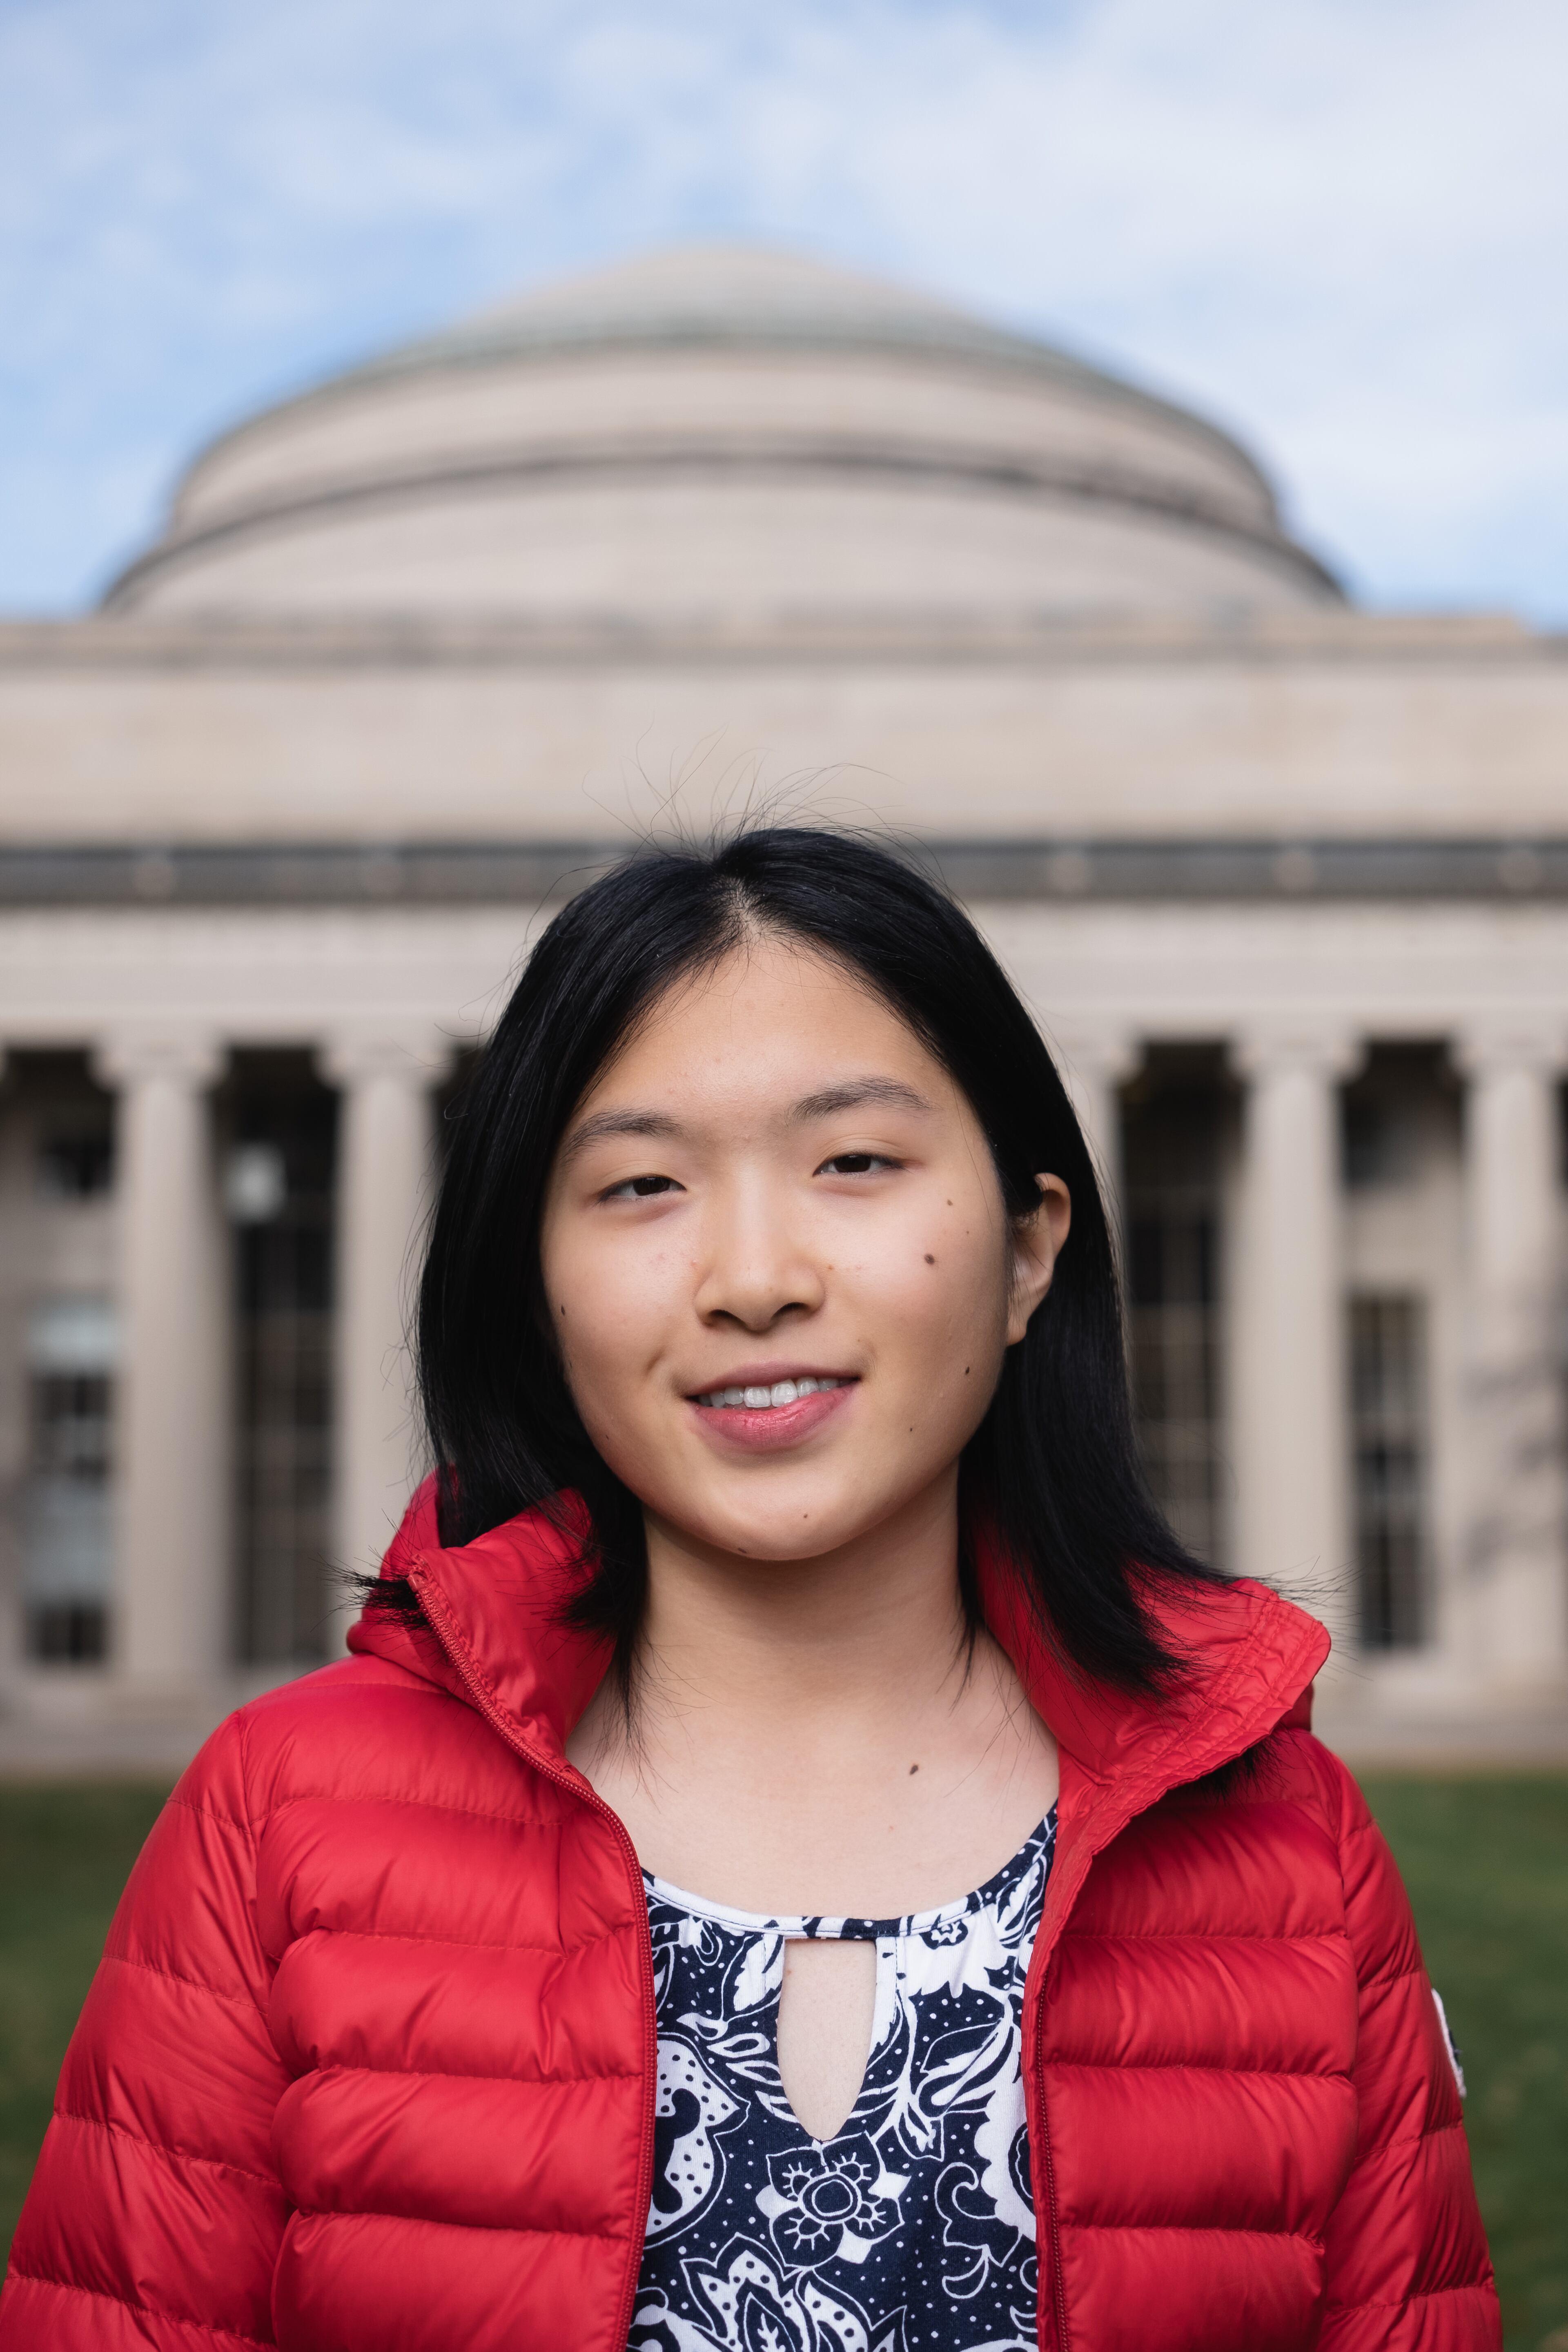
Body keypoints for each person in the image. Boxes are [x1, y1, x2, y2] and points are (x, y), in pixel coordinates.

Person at [1, 828, 1499, 2352]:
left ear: (1032, 1247)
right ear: (538, 1291)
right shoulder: (285, 1818)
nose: (754, 1277)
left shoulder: (1288, 1850)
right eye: (642, 1186)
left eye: (853, 1161)